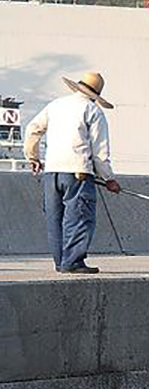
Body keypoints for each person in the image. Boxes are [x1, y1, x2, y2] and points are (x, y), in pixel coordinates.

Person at [22, 71, 121, 275]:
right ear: (96, 94)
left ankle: (61, 263)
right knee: (79, 218)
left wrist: (33, 157)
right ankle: (73, 261)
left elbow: (33, 129)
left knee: (55, 219)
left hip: (51, 172)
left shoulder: (56, 105)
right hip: (78, 173)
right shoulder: (93, 111)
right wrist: (109, 179)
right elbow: (100, 154)